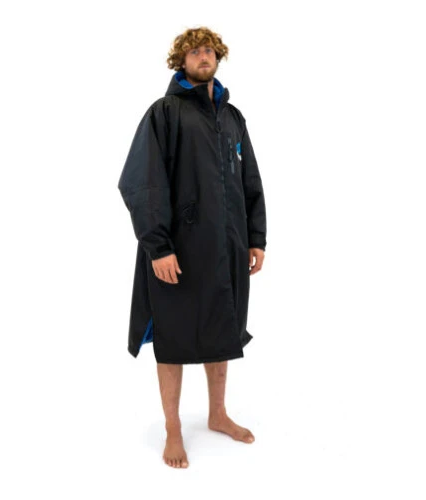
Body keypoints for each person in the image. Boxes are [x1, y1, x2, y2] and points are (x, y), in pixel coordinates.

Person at [117, 26, 267, 469]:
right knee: (174, 336)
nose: (204, 56)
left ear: (218, 58)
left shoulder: (233, 117)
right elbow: (141, 182)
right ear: (181, 60)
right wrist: (158, 247)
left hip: (228, 247)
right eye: (195, 51)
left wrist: (256, 238)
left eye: (210, 51)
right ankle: (173, 427)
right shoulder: (164, 113)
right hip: (178, 250)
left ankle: (218, 414)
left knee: (223, 329)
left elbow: (250, 180)